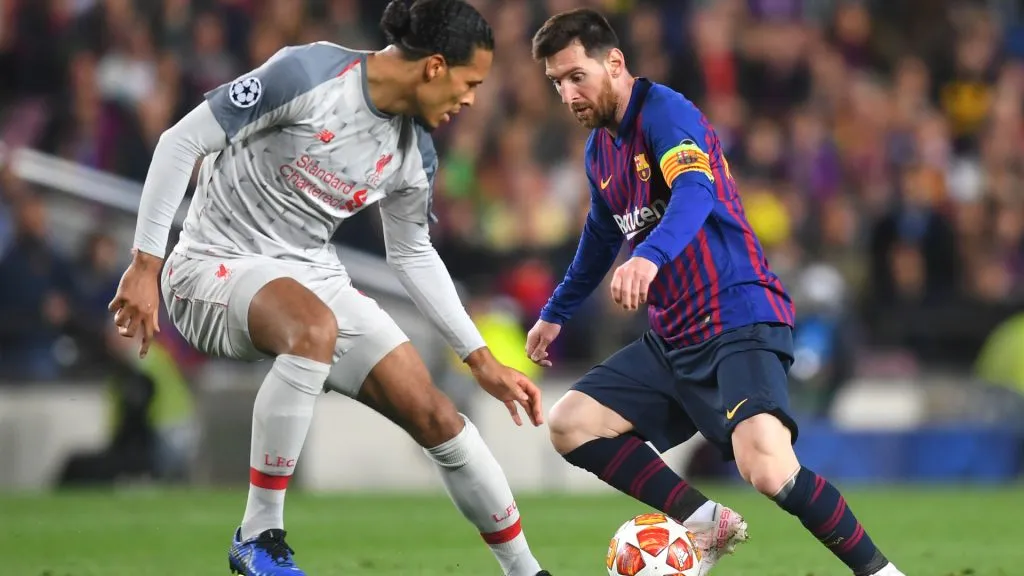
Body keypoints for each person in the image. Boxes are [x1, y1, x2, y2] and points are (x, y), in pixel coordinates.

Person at [107, 1, 551, 575]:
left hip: (311, 275)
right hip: (211, 264)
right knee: (313, 327)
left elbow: (411, 252)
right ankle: (257, 534)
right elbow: (179, 141)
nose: (470, 101)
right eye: (470, 84)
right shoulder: (309, 74)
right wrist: (145, 264)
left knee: (435, 415)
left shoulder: (414, 151)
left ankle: (526, 570)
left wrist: (480, 359)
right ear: (435, 67)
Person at [526, 9, 902, 576]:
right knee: (570, 423)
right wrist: (555, 311)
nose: (567, 94)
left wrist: (649, 256)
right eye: (557, 82)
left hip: (736, 317)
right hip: (674, 337)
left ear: (615, 62)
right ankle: (705, 523)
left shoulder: (665, 112)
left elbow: (695, 190)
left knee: (769, 468)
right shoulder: (599, 151)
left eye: (577, 76)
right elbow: (601, 239)